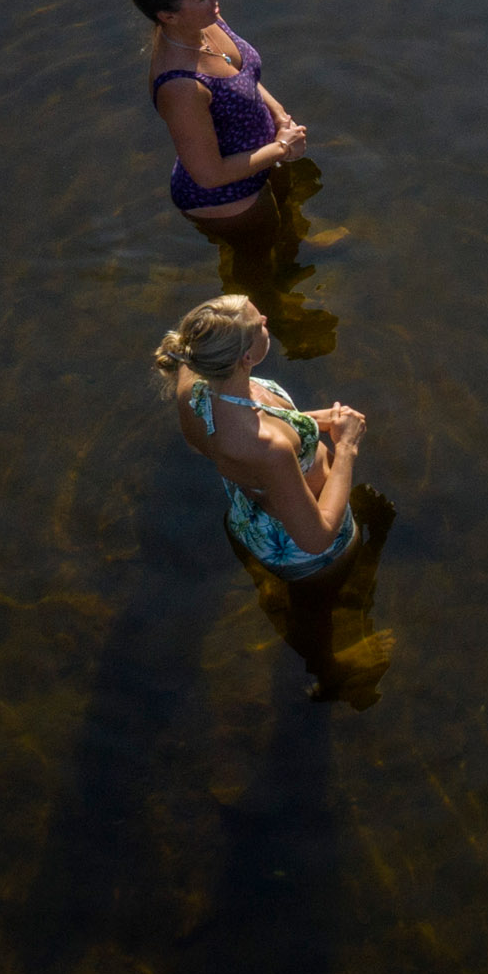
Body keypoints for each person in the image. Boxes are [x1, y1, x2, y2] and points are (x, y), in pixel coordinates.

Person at [152, 293, 394, 705]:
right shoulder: (267, 446)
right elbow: (315, 537)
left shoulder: (192, 379)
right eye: (258, 324)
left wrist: (316, 423)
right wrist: (347, 448)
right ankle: (329, 670)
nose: (266, 317)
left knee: (311, 600)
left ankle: (284, 606)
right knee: (317, 610)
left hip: (250, 508)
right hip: (300, 546)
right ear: (246, 358)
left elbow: (215, 441)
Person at [128, 0, 308, 231]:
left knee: (289, 234)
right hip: (227, 198)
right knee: (260, 267)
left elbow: (244, 77)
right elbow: (210, 175)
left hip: (264, 157)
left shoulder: (204, 22)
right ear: (168, 16)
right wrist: (283, 147)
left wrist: (278, 114)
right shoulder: (180, 86)